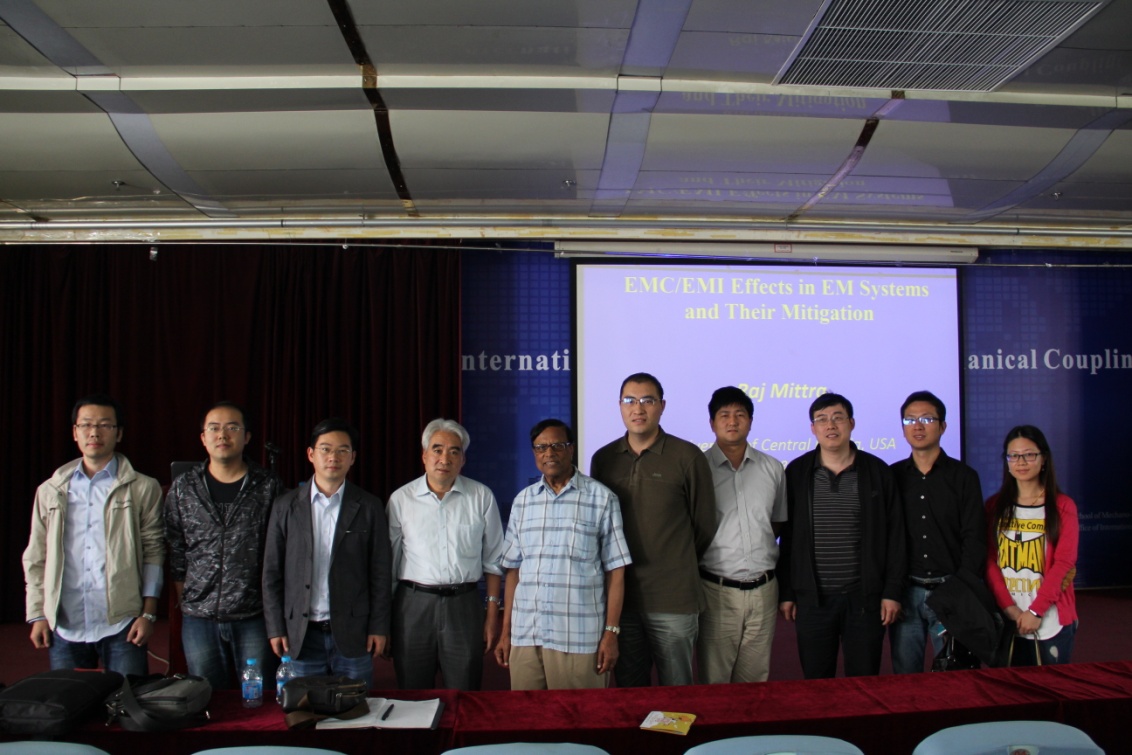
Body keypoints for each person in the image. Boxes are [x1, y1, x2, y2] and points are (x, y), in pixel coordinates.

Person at [589, 372, 717, 687]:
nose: (638, 408)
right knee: (631, 690)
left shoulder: (687, 456)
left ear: (662, 406)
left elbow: (704, 525)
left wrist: (674, 559)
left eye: (647, 400)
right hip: (622, 602)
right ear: (620, 406)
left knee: (677, 692)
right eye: (630, 400)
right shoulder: (603, 459)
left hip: (674, 600)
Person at [23, 394, 164, 676]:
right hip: (65, 623)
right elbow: (36, 556)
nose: (94, 432)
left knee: (128, 700)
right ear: (75, 432)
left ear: (119, 433)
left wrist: (148, 613)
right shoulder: (50, 490)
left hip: (123, 623)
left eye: (104, 425)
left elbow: (154, 552)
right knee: (70, 701)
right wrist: (37, 614)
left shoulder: (142, 488)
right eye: (86, 424)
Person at [495, 419, 632, 689]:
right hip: (527, 636)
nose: (549, 453)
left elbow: (616, 572)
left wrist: (611, 633)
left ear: (571, 449)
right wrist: (506, 631)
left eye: (558, 445)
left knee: (580, 715)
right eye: (541, 447)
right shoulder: (523, 501)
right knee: (526, 714)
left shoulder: (601, 499)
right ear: (534, 453)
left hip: (579, 638)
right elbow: (513, 571)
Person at [778, 392, 905, 679]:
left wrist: (891, 592)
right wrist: (787, 592)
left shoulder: (877, 471)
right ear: (813, 428)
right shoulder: (797, 472)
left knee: (864, 680)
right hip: (813, 600)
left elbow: (895, 537)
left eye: (838, 418)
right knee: (816, 680)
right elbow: (788, 539)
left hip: (864, 599)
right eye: (822, 419)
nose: (830, 425)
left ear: (851, 423)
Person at [262, 418, 391, 688]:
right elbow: (271, 573)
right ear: (311, 454)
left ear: (353, 458)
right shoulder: (285, 506)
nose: (334, 457)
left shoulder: (369, 506)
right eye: (326, 449)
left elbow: (380, 573)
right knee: (305, 708)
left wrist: (379, 626)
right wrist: (275, 627)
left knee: (356, 707)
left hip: (353, 634)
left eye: (343, 450)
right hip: (301, 634)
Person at [165, 401, 286, 689]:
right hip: (199, 617)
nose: (222, 435)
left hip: (253, 615)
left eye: (232, 428)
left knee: (257, 697)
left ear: (247, 437)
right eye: (214, 428)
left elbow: (279, 550)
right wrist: (188, 597)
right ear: (203, 437)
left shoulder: (268, 486)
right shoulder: (184, 487)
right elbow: (176, 547)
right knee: (206, 696)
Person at [387, 419, 505, 690]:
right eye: (437, 450)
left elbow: (494, 562)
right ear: (424, 455)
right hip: (412, 606)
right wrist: (386, 621)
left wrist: (490, 618)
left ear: (463, 459)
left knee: (465, 693)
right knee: (413, 694)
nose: (445, 458)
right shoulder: (401, 499)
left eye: (454, 451)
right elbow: (390, 566)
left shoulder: (481, 496)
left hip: (463, 605)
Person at [889, 391, 985, 673]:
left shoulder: (964, 477)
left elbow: (974, 537)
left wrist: (961, 588)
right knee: (905, 676)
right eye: (910, 420)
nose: (918, 426)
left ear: (942, 426)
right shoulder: (892, 477)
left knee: (954, 677)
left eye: (927, 419)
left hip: (950, 591)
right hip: (906, 593)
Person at [697, 386, 787, 684]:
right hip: (716, 590)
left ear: (750, 421)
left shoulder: (772, 468)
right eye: (724, 415)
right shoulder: (698, 470)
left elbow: (776, 523)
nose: (732, 421)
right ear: (712, 423)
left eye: (740, 414)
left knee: (755, 681)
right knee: (715, 680)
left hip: (764, 591)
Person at [986, 425, 1078, 665]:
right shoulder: (994, 506)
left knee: (1050, 687)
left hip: (1049, 620)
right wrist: (1010, 608)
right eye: (1014, 456)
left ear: (1043, 458)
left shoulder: (1062, 506)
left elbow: (1064, 563)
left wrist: (1036, 611)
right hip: (1007, 618)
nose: (1021, 462)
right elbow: (989, 560)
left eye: (1029, 455)